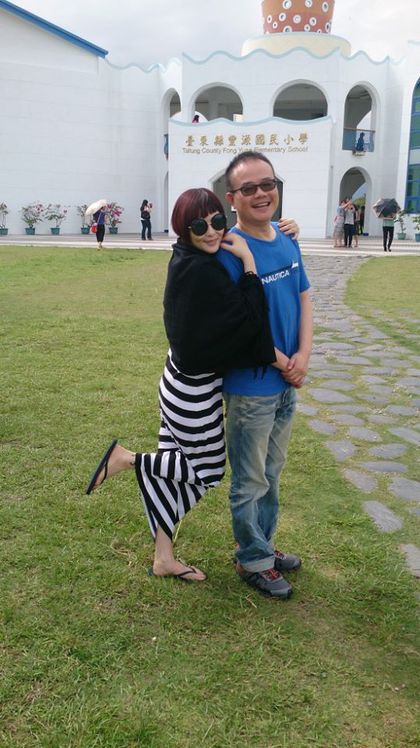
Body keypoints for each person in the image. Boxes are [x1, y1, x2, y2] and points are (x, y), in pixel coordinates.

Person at [86, 188, 299, 583]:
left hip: (180, 381)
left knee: (171, 475)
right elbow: (251, 324)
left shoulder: (190, 258)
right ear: (183, 229)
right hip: (192, 390)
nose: (212, 231)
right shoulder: (200, 271)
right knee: (209, 470)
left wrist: (283, 230)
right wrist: (249, 261)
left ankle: (163, 558)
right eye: (199, 225)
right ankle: (127, 459)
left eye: (218, 221)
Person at [216, 151, 313, 600]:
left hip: (287, 382)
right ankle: (252, 559)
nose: (261, 194)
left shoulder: (287, 238)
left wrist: (304, 355)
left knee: (272, 473)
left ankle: (264, 546)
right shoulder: (228, 251)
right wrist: (285, 363)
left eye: (267, 184)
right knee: (249, 479)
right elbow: (239, 327)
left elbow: (305, 297)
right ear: (231, 198)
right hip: (252, 385)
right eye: (249, 188)